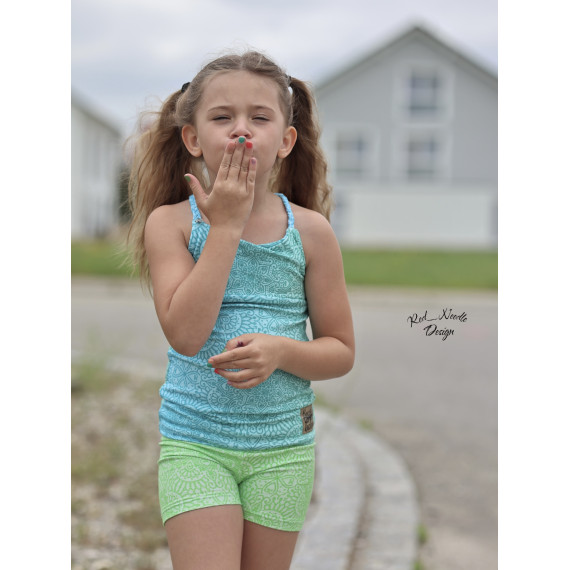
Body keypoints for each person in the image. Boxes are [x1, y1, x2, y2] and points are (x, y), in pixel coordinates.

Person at [126, 50, 355, 570]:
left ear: (286, 141)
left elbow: (341, 351)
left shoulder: (311, 232)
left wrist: (281, 351)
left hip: (283, 450)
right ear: (192, 138)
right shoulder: (171, 224)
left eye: (260, 117)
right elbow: (186, 334)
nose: (241, 130)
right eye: (222, 116)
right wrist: (226, 226)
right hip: (196, 444)